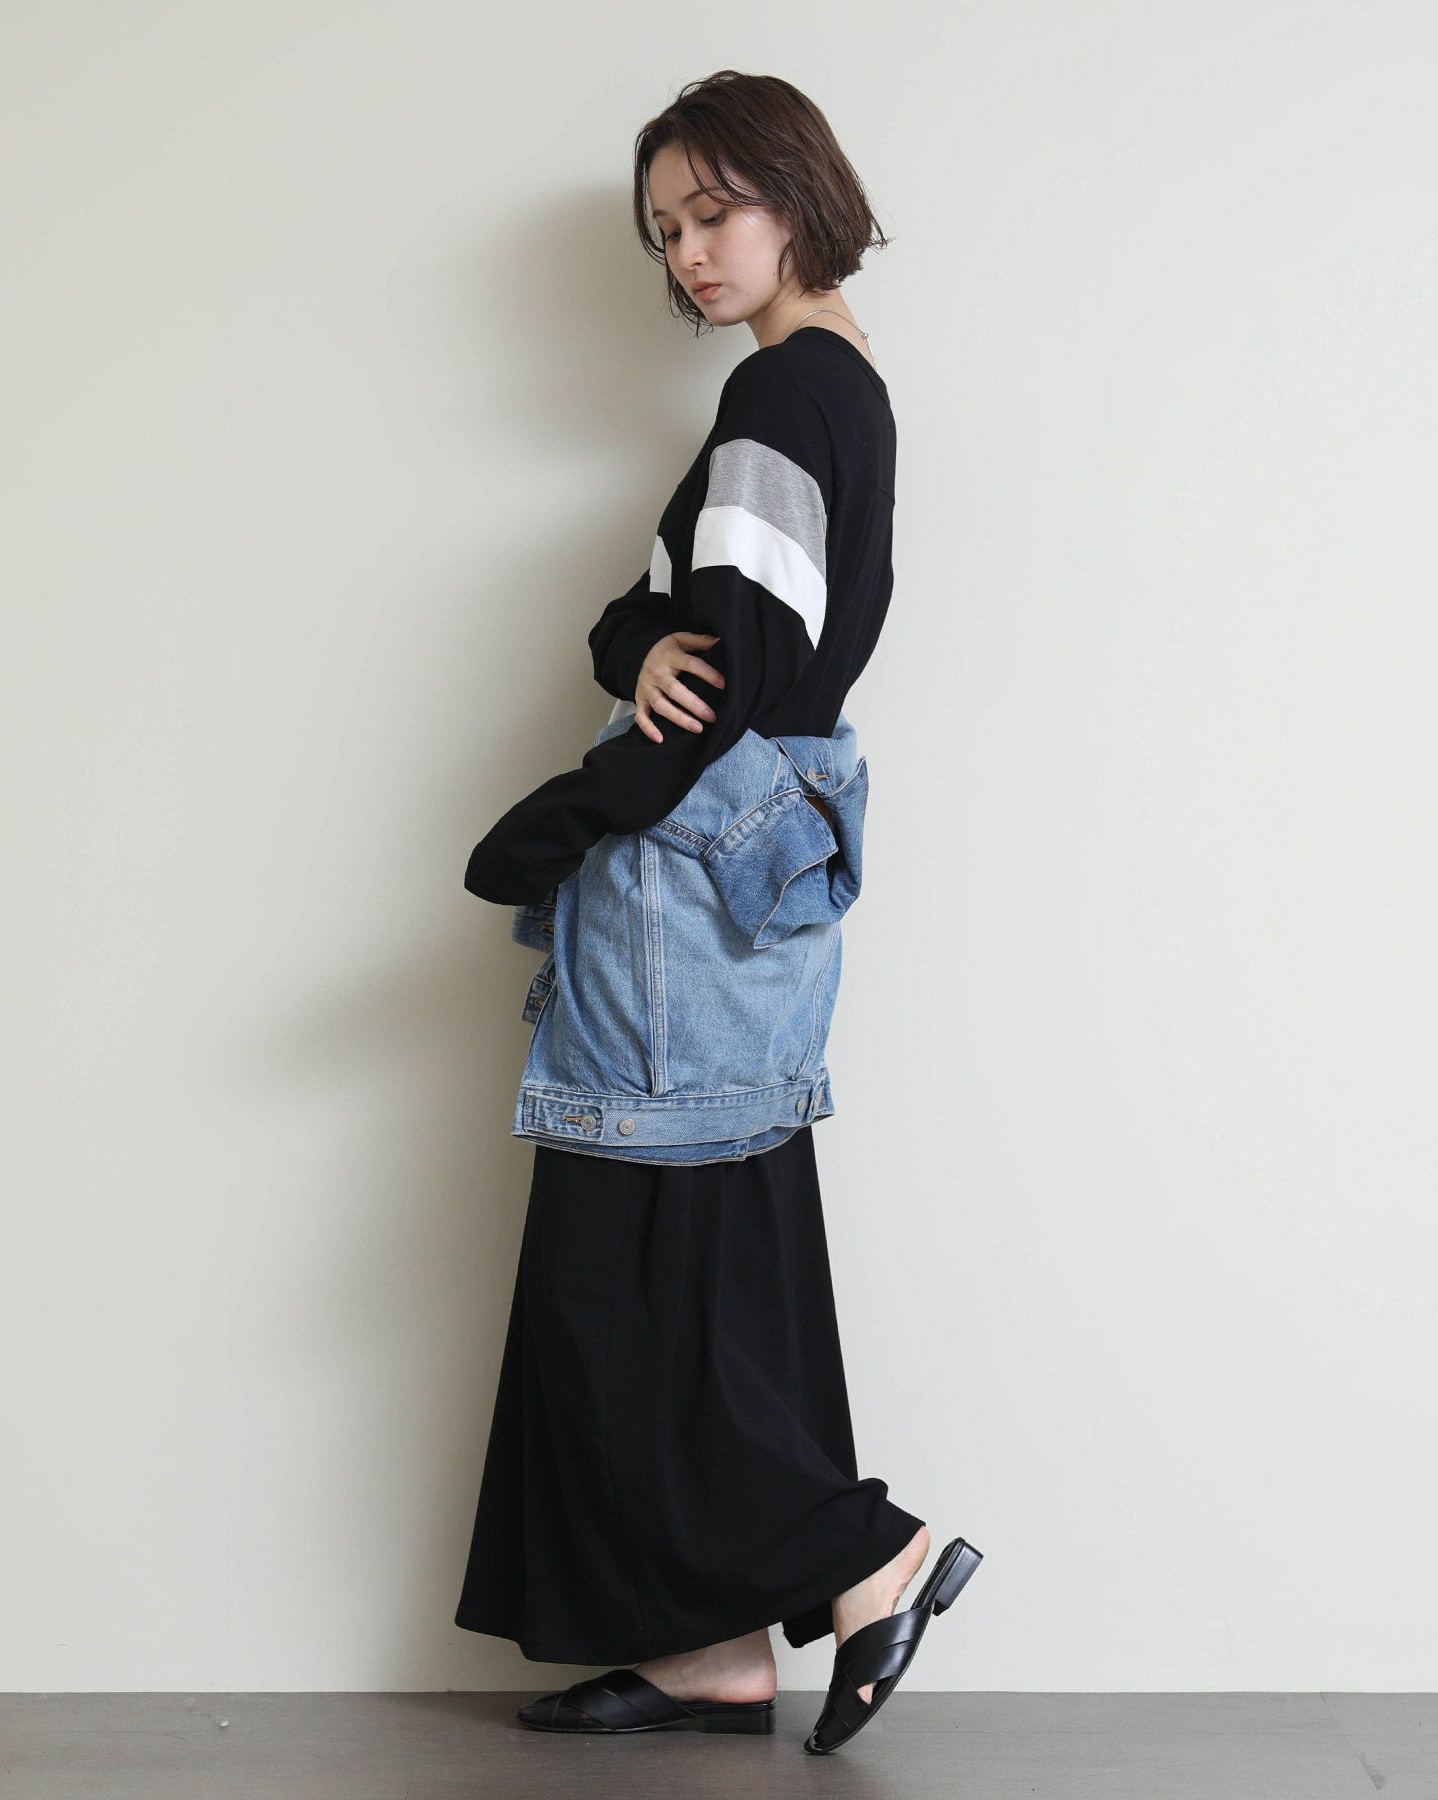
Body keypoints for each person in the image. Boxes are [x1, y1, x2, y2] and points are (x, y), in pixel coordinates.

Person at [454, 70, 979, 1752]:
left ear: (796, 191)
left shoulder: (776, 398)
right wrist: (635, 646)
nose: (689, 250)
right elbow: (671, 626)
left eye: (714, 209)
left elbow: (733, 675)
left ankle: (861, 1557)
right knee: (704, 1255)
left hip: (684, 872)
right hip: (752, 869)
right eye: (665, 229)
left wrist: (554, 825)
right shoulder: (835, 389)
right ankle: (711, 1652)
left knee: (626, 1279)